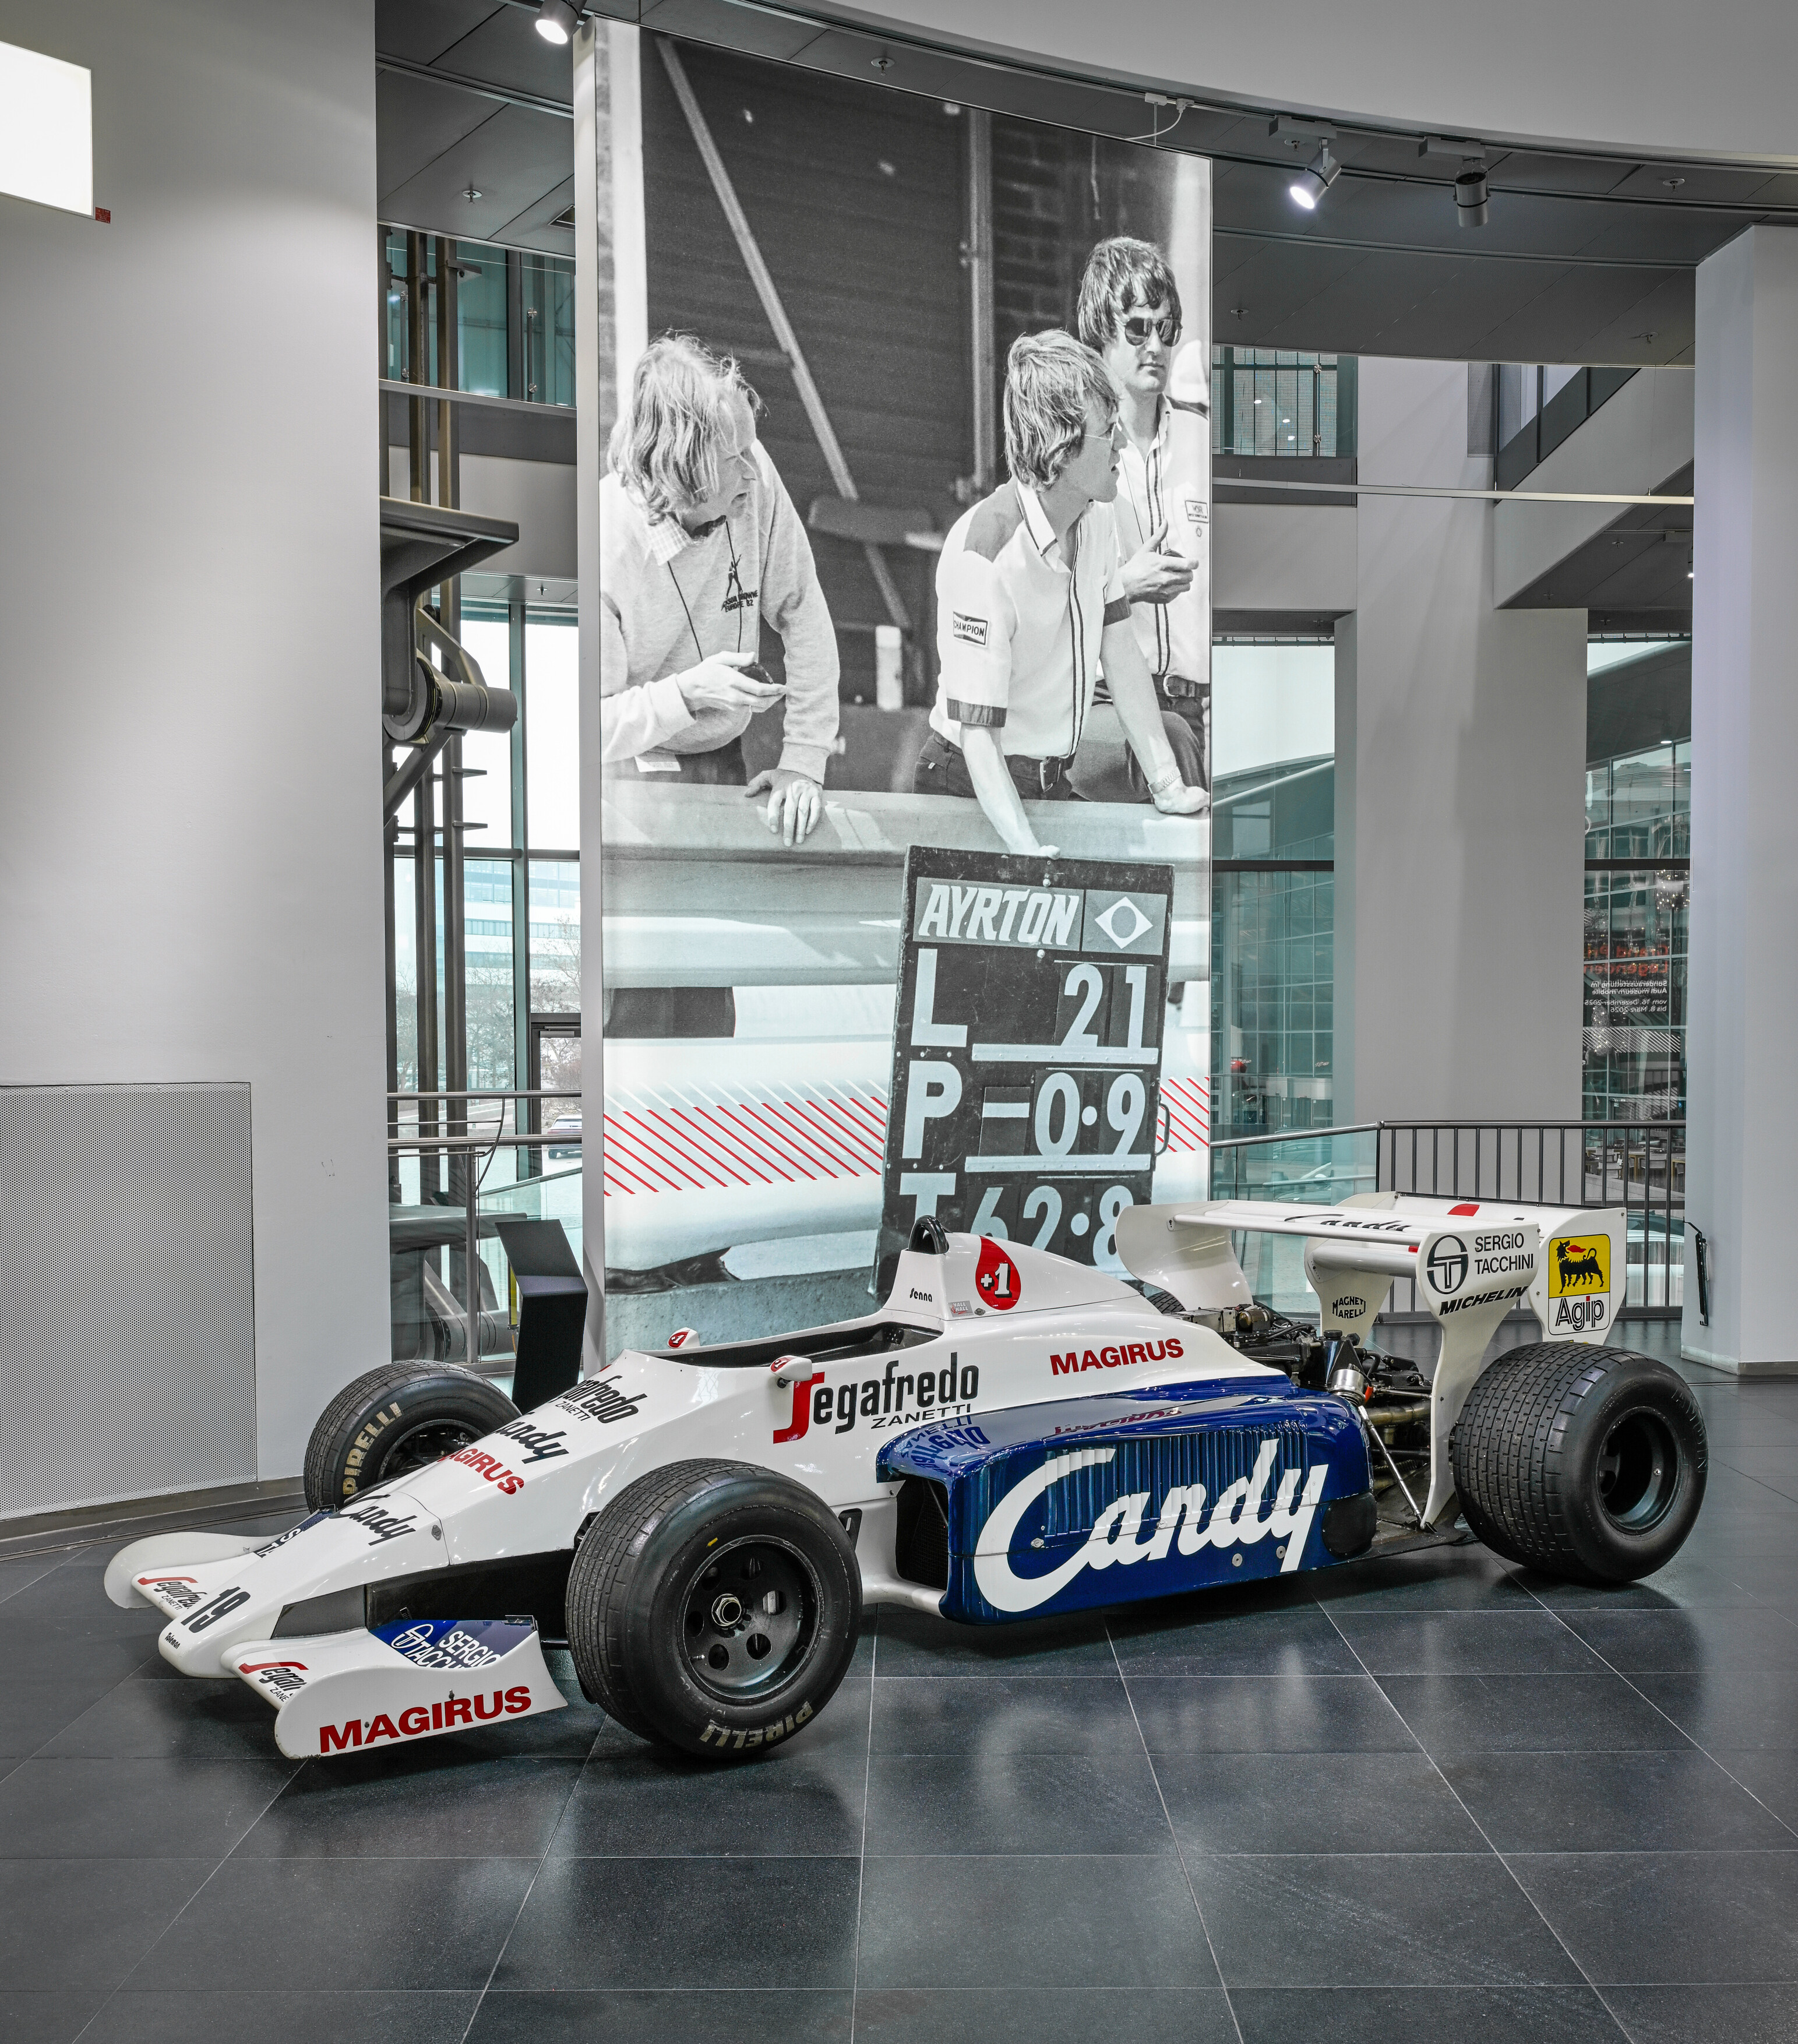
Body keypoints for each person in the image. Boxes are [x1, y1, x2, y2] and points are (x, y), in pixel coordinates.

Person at [913, 329, 1207, 857]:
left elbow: (1121, 654)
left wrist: (1168, 784)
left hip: (1047, 780)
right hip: (967, 785)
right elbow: (979, 737)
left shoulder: (1094, 520)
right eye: (1108, 432)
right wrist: (1024, 849)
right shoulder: (984, 555)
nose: (1122, 444)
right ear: (1060, 447)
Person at [600, 334, 838, 848]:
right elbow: (587, 727)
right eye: (734, 459)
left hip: (724, 754)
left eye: (752, 449)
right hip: (625, 777)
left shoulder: (753, 473)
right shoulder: (604, 543)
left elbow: (802, 606)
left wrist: (804, 759)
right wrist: (689, 692)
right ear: (682, 466)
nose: (754, 472)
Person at [1076, 236, 1211, 796]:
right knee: (1173, 748)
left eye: (1167, 328)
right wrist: (1124, 587)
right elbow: (1041, 598)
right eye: (1137, 328)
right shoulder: (1076, 449)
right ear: (1100, 333)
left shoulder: (1207, 443)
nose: (1156, 345)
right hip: (1102, 703)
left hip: (1198, 707)